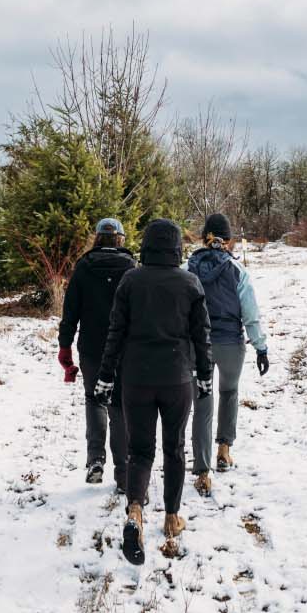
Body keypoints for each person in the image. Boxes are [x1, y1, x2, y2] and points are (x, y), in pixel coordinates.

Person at [95, 218, 212, 565]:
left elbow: (115, 332)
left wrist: (105, 376)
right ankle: (172, 517)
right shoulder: (190, 283)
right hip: (177, 379)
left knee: (140, 450)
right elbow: (201, 336)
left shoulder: (131, 280)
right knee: (174, 449)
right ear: (176, 247)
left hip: (136, 379)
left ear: (145, 245)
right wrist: (205, 375)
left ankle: (135, 513)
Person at [187, 212, 269, 497]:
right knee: (230, 392)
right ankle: (224, 449)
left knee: (202, 402)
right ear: (230, 241)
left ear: (203, 238)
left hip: (199, 344)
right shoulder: (238, 271)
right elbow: (251, 314)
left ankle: (202, 469)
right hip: (231, 343)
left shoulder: (190, 269)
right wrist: (260, 346)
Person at [57, 217, 137, 488]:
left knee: (94, 400)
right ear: (121, 239)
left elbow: (70, 313)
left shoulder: (83, 267)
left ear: (97, 238)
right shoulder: (131, 268)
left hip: (91, 348)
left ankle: (95, 459)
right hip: (124, 350)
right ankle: (124, 473)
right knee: (119, 405)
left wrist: (65, 346)